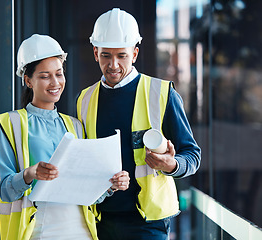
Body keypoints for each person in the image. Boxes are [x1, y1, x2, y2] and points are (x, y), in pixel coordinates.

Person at [76, 8, 201, 240]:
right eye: (106, 55)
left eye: (121, 56)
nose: (113, 65)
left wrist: (171, 165)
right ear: (95, 52)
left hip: (149, 225)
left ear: (134, 53)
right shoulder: (85, 100)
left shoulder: (163, 94)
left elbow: (192, 156)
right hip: (101, 221)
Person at [0, 34, 130, 240]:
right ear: (28, 80)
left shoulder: (75, 125)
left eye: (59, 74)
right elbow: (6, 191)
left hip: (80, 228)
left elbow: (88, 191)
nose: (55, 82)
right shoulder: (11, 123)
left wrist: (110, 185)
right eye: (44, 76)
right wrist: (30, 173)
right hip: (40, 229)